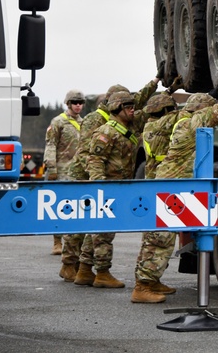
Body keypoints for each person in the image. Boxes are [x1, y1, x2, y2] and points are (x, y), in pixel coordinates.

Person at [131, 67, 218, 304]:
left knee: (157, 235)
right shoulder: (191, 124)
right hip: (170, 187)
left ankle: (150, 280)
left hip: (167, 184)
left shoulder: (175, 122)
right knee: (160, 238)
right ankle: (142, 286)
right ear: (198, 111)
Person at [66, 77, 158, 285]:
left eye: (133, 106)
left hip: (117, 186)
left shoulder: (127, 126)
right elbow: (94, 159)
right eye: (128, 106)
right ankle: (102, 273)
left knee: (98, 230)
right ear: (117, 107)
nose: (133, 109)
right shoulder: (105, 131)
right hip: (106, 187)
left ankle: (84, 270)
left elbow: (145, 103)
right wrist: (100, 186)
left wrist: (157, 83)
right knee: (103, 231)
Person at [45, 89, 84, 256]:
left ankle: (73, 242)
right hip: (61, 170)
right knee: (60, 206)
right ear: (68, 104)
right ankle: (57, 241)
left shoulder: (84, 123)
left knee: (76, 206)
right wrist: (51, 168)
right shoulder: (58, 122)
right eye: (75, 103)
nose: (78, 106)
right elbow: (50, 144)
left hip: (78, 170)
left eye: (80, 103)